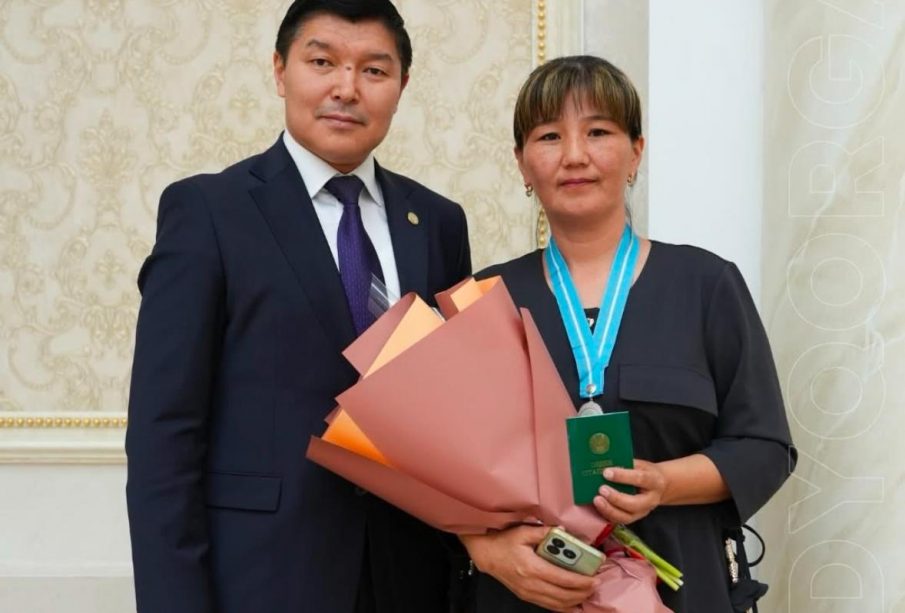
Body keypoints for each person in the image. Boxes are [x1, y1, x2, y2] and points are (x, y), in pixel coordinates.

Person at [125, 1, 471, 612]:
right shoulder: (210, 212)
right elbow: (164, 438)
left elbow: (455, 413)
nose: (347, 88)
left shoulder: (437, 222)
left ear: (402, 86)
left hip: (411, 576)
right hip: (263, 580)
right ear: (281, 71)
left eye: (374, 70)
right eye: (322, 62)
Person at [462, 55, 796, 613]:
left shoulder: (706, 284)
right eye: (549, 136)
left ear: (636, 151)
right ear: (521, 163)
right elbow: (444, 468)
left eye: (598, 132)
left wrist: (664, 482)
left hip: (683, 587)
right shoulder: (484, 297)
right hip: (530, 591)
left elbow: (764, 447)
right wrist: (486, 548)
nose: (574, 155)